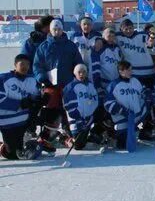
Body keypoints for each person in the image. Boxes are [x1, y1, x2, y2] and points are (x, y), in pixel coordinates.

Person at [33, 19, 83, 151]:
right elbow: (37, 66)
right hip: (51, 85)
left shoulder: (70, 45)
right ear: (50, 30)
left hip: (68, 84)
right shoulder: (43, 46)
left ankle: (70, 133)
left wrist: (79, 75)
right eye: (54, 29)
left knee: (69, 108)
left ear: (62, 30)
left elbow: (78, 63)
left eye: (59, 29)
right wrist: (42, 78)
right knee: (51, 110)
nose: (57, 31)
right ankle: (48, 135)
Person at [0, 55, 43, 160]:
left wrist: (42, 98)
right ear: (15, 65)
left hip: (24, 121)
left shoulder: (32, 80)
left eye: (27, 65)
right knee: (12, 155)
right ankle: (2, 146)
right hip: (7, 123)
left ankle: (43, 140)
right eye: (22, 64)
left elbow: (36, 97)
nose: (25, 67)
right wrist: (19, 103)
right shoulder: (4, 79)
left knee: (51, 113)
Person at [104, 61, 155, 149]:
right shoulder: (113, 85)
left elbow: (144, 91)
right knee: (122, 145)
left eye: (131, 69)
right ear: (121, 71)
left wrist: (149, 96)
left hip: (137, 119)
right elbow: (108, 103)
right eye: (128, 70)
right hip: (122, 119)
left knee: (143, 123)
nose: (131, 72)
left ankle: (139, 133)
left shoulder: (135, 81)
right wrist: (123, 111)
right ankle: (113, 137)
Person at [61, 64, 102, 150]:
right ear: (75, 73)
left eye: (84, 72)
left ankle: (91, 138)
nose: (81, 74)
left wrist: (90, 115)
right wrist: (78, 117)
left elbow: (95, 101)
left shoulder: (90, 85)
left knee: (81, 142)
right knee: (78, 145)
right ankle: (64, 138)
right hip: (76, 120)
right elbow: (69, 105)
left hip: (86, 120)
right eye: (79, 72)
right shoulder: (71, 86)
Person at [116, 18, 155, 88]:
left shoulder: (143, 35)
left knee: (150, 94)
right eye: (126, 29)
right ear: (121, 29)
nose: (129, 31)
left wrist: (151, 45)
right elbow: (107, 35)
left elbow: (154, 50)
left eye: (130, 28)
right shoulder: (118, 37)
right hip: (133, 73)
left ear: (134, 28)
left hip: (148, 72)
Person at [70, 16, 102, 87]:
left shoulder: (97, 36)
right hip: (79, 63)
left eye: (89, 24)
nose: (86, 26)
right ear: (80, 25)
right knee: (79, 84)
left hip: (92, 65)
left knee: (92, 84)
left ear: (92, 26)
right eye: (84, 24)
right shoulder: (75, 36)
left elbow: (99, 48)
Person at [97, 28, 123, 96]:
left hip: (116, 80)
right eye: (109, 36)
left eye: (113, 36)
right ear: (103, 37)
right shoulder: (101, 48)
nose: (111, 39)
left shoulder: (117, 48)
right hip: (104, 80)